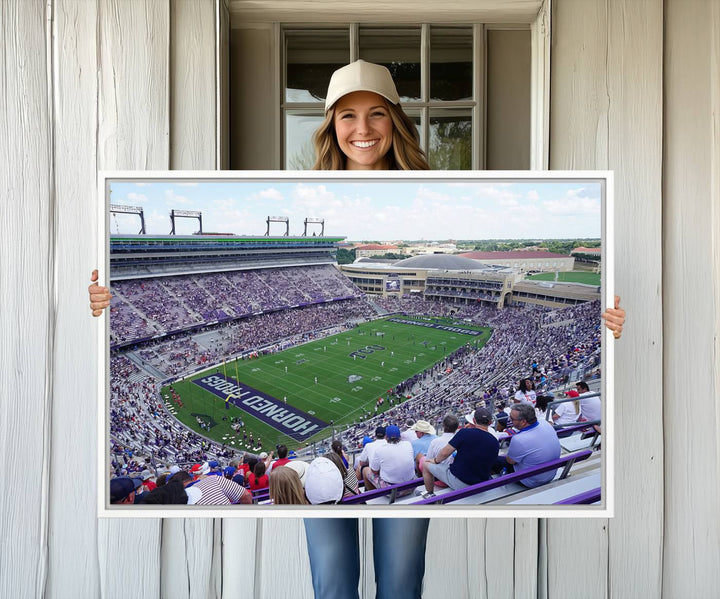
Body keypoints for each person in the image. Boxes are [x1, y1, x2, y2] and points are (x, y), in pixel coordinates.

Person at [88, 59, 626, 599]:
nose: (362, 129)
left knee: (399, 574)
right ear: (329, 126)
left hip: (352, 476)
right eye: (347, 116)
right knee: (332, 572)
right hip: (347, 481)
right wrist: (102, 302)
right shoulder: (299, 185)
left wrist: (606, 323)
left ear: (396, 121)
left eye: (376, 115)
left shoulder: (438, 184)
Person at [422, 408, 499, 497]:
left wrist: (435, 461)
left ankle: (430, 495)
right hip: (481, 483)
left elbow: (444, 453)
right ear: (490, 423)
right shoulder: (494, 441)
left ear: (474, 420)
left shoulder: (464, 432)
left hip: (460, 482)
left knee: (425, 464)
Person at [496, 402, 561, 488]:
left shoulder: (519, 439)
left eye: (512, 419)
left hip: (531, 481)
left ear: (523, 421)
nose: (510, 420)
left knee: (495, 459)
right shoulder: (546, 424)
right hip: (550, 474)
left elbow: (510, 461)